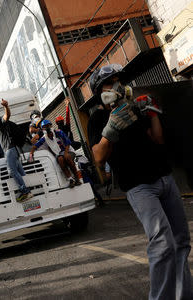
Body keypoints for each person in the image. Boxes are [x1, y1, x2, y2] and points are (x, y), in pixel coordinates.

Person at [89, 63, 192, 300]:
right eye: (109, 82)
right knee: (162, 243)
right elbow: (98, 156)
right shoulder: (97, 118)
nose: (116, 85)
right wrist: (110, 130)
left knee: (181, 241)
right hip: (139, 186)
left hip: (165, 179)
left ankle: (184, 295)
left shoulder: (134, 109)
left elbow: (157, 139)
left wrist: (152, 113)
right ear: (99, 91)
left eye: (118, 80)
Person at [0, 99, 32, 202]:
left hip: (10, 150)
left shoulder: (0, 122)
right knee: (20, 171)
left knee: (12, 171)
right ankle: (31, 189)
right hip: (12, 150)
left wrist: (6, 106)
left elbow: (7, 116)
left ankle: (25, 191)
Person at [29, 119, 82, 188]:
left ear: (51, 126)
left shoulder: (59, 132)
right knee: (60, 159)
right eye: (45, 127)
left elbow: (68, 143)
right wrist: (31, 154)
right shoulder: (44, 138)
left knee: (67, 157)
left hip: (68, 151)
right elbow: (35, 146)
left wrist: (65, 153)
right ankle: (70, 179)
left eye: (48, 126)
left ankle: (77, 178)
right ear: (42, 129)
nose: (47, 128)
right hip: (59, 154)